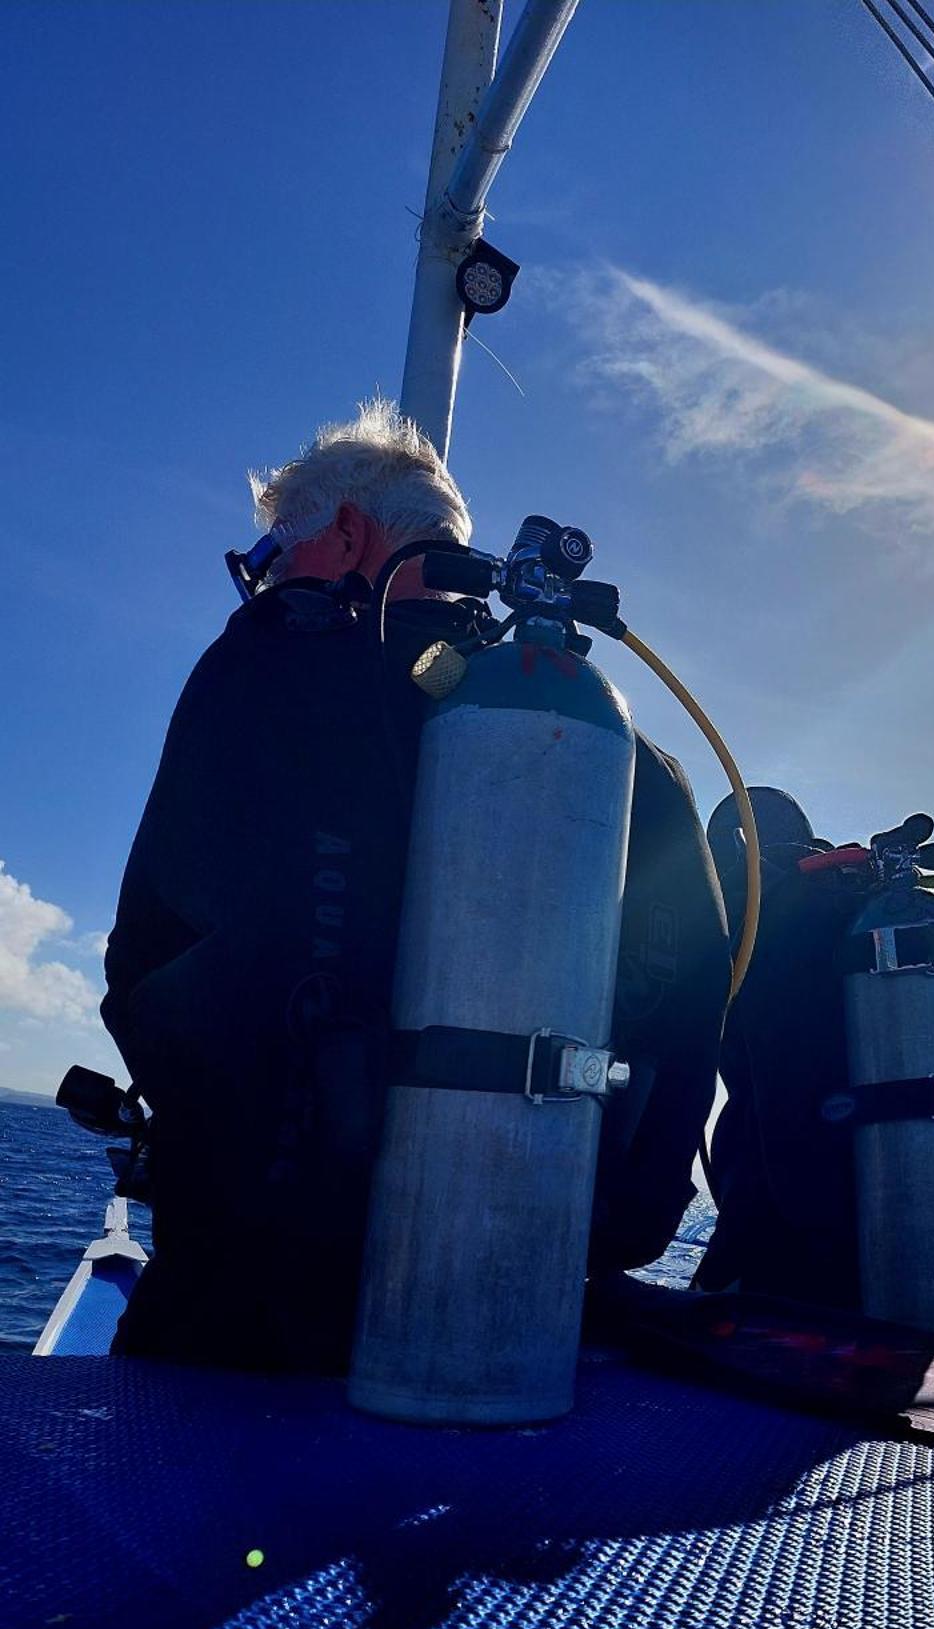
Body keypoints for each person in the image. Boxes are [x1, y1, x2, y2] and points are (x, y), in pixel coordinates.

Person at [102, 400, 727, 1373]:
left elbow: (154, 955)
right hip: (533, 1314)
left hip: (255, 1312)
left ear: (348, 533)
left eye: (272, 553)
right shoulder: (624, 752)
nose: (263, 580)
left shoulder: (268, 671)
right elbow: (685, 1022)